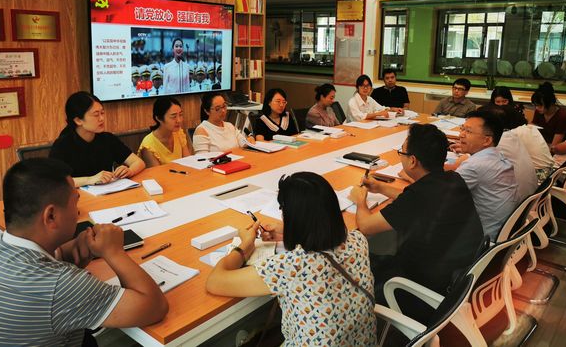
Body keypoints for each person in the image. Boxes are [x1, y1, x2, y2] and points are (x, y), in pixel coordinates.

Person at [0, 158, 168, 346]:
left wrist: (76, 249)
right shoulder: (61, 286)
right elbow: (154, 307)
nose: (77, 213)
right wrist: (114, 252)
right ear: (51, 215)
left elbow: (45, 262)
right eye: (75, 203)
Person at [206, 172, 377, 346]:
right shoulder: (358, 240)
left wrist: (246, 245)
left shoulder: (291, 267)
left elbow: (214, 282)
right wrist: (289, 231)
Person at [349, 124, 483, 303]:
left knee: (357, 261)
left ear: (412, 161)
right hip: (457, 273)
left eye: (402, 152)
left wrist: (360, 200)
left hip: (422, 286)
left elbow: (366, 226)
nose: (400, 156)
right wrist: (381, 187)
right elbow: (416, 201)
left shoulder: (419, 196)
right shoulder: (452, 178)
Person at [50, 92, 145, 188]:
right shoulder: (62, 145)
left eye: (102, 113)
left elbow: (139, 162)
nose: (102, 118)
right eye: (96, 115)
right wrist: (90, 179)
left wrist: (129, 171)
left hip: (108, 192)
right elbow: (54, 181)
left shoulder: (108, 139)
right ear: (78, 120)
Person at [449, 110, 519, 240]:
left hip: (483, 238)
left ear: (487, 140)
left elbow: (441, 196)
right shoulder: (496, 155)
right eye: (462, 129)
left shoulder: (474, 165)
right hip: (502, 231)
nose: (461, 135)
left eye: (468, 131)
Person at [482, 105, 538, 199]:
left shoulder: (497, 142)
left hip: (516, 201)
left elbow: (470, 167)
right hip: (530, 197)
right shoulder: (511, 136)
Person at [138, 96, 192, 167]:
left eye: (180, 115)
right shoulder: (148, 146)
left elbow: (189, 163)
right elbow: (157, 172)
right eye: (173, 117)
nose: (179, 120)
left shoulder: (178, 133)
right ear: (159, 118)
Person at [531, 81, 566, 146]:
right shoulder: (539, 112)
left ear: (551, 103)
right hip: (542, 145)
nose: (537, 108)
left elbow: (554, 146)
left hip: (557, 149)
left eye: (540, 105)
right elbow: (532, 128)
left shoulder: (563, 116)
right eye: (535, 105)